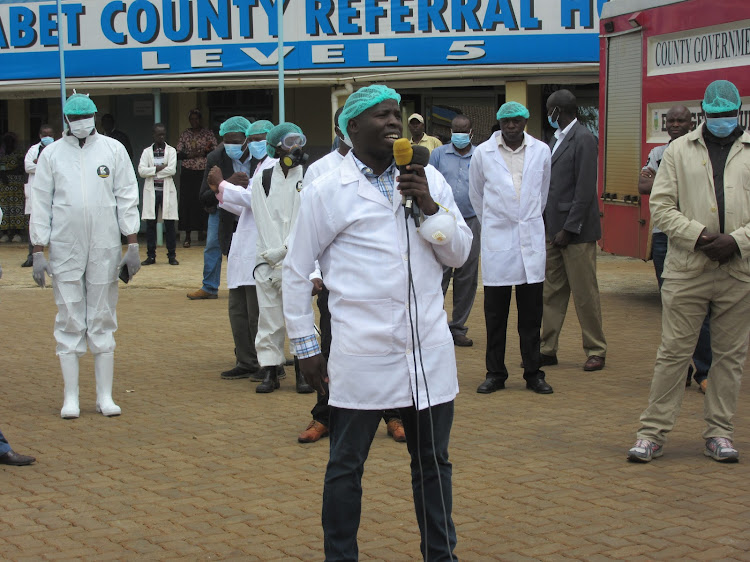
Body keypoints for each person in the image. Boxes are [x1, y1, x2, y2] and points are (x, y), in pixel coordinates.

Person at [283, 84, 472, 560]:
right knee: (346, 466)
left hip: (426, 350)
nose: (393, 122)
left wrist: (428, 205)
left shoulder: (426, 180)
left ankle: (440, 554)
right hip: (361, 353)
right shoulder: (328, 189)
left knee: (433, 464)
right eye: (380, 115)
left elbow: (460, 252)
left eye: (397, 114)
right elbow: (294, 269)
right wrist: (306, 347)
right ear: (351, 127)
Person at [628, 80, 750, 464]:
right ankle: (652, 433)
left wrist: (736, 241)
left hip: (737, 269)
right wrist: (699, 237)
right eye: (714, 115)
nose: (720, 121)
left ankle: (719, 433)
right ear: (703, 112)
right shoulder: (678, 152)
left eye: (726, 115)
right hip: (688, 268)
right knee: (674, 353)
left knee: (729, 356)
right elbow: (661, 208)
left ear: (738, 113)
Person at [296, 107, 406, 444]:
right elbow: (305, 234)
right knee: (333, 350)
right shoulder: (322, 171)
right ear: (345, 127)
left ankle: (395, 414)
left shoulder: (399, 168)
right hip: (341, 285)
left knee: (394, 349)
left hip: (392, 285)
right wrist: (314, 273)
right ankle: (325, 415)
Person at [30, 92, 141, 419]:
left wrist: (132, 244)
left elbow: (126, 195)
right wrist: (38, 248)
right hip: (65, 246)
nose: (82, 123)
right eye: (76, 118)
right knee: (69, 314)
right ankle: (71, 397)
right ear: (66, 120)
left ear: (95, 116)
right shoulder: (51, 155)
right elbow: (40, 202)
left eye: (87, 117)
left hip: (105, 244)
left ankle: (104, 396)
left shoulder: (113, 149)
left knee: (102, 314)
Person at [470, 101, 553, 395]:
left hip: (530, 239)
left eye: (516, 121)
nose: (511, 126)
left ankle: (533, 373)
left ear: (525, 122)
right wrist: (497, 222)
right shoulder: (482, 153)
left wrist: (523, 219)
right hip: (498, 241)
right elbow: (476, 194)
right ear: (499, 124)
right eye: (506, 122)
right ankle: (495, 372)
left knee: (531, 317)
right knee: (495, 316)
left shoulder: (541, 150)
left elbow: (542, 194)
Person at [638, 106, 711, 393]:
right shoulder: (658, 153)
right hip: (663, 238)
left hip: (696, 236)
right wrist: (679, 186)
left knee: (701, 307)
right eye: (672, 121)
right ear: (665, 125)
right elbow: (643, 185)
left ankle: (704, 371)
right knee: (671, 305)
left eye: (682, 120)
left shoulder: (701, 152)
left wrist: (665, 185)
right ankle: (680, 369)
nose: (677, 124)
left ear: (693, 122)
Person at [541, 89, 607, 371]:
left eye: (549, 110)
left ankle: (595, 349)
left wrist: (569, 228)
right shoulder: (555, 139)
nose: (548, 115)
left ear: (558, 110)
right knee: (550, 292)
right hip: (552, 230)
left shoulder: (584, 139)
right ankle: (546, 348)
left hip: (576, 232)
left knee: (584, 293)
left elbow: (584, 190)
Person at [210, 119, 277, 381]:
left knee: (257, 314)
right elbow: (246, 207)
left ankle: (269, 364)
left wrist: (223, 185)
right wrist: (220, 191)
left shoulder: (274, 168)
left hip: (259, 249)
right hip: (243, 247)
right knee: (238, 311)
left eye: (262, 139)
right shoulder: (261, 166)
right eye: (254, 139)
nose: (257, 144)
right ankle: (247, 360)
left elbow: (254, 200)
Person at [249, 122, 313, 394]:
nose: (295, 147)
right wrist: (273, 257)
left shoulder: (309, 175)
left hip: (296, 259)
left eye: (299, 140)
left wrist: (284, 253)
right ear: (277, 147)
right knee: (269, 318)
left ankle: (303, 371)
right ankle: (271, 370)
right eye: (289, 142)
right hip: (265, 259)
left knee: (298, 316)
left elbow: (305, 219)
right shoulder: (262, 177)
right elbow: (261, 218)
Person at [186, 116, 250, 300]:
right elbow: (204, 196)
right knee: (213, 244)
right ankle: (209, 286)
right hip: (222, 209)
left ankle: (243, 286)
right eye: (226, 142)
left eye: (236, 142)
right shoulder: (216, 157)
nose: (231, 146)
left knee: (247, 246)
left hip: (251, 208)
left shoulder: (260, 157)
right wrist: (226, 183)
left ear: (247, 140)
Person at [430, 114, 480, 347]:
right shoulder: (438, 154)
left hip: (471, 220)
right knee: (439, 273)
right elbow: (429, 182)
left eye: (464, 130)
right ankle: (433, 325)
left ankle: (458, 327)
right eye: (455, 130)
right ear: (451, 132)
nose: (459, 135)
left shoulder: (480, 155)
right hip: (441, 222)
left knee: (466, 276)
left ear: (471, 132)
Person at [138, 123, 179, 266]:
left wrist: (153, 170)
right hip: (152, 191)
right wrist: (159, 168)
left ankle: (171, 256)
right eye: (158, 134)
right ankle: (151, 256)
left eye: (163, 134)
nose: (161, 137)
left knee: (169, 224)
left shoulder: (171, 151)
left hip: (167, 191)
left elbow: (172, 170)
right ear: (153, 135)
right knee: (150, 224)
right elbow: (141, 171)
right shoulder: (146, 152)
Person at [176, 109, 216, 248]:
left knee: (204, 200)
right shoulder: (185, 134)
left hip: (203, 172)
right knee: (187, 203)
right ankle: (187, 236)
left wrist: (202, 152)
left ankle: (205, 234)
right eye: (192, 119)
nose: (195, 122)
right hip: (188, 173)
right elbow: (178, 153)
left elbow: (214, 150)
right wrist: (192, 155)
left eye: (197, 119)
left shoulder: (208, 134)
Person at [22, 124, 55, 267]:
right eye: (44, 134)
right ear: (40, 135)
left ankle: (55, 256)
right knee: (34, 223)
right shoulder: (33, 150)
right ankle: (32, 256)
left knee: (56, 224)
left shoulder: (58, 149)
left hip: (54, 191)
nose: (47, 137)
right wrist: (44, 165)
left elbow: (59, 166)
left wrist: (39, 163)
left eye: (49, 134)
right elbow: (28, 166)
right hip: (36, 190)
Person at [0, 132, 26, 243]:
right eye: (7, 141)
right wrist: (3, 175)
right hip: (4, 186)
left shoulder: (19, 153)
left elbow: (21, 167)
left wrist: (7, 172)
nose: (9, 143)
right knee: (5, 209)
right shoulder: (1, 154)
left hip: (16, 185)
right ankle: (5, 233)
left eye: (11, 140)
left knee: (17, 208)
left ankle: (17, 233)